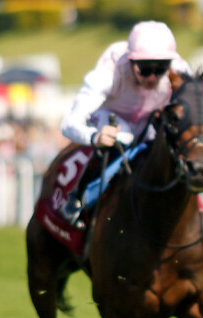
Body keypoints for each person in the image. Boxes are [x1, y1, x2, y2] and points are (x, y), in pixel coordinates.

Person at [59, 20, 191, 226]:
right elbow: (68, 124)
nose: (153, 77)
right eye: (146, 69)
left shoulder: (180, 70)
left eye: (161, 68)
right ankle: (78, 198)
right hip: (111, 117)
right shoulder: (109, 72)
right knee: (125, 136)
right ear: (130, 62)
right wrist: (95, 137)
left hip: (149, 120)